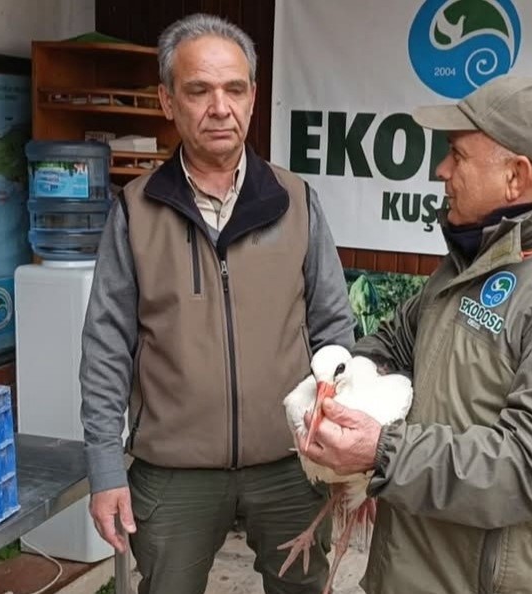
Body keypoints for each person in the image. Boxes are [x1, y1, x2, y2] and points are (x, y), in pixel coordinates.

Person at [300, 76, 532, 594]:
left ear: (516, 176)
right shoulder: (477, 260)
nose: (442, 171)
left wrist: (383, 453)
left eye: (458, 155)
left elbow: (531, 465)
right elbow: (398, 341)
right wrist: (350, 383)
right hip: (414, 565)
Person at [79, 13, 355, 594]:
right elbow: (107, 349)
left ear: (254, 98)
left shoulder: (296, 201)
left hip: (289, 465)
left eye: (234, 89)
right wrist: (106, 470)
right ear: (167, 101)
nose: (219, 106)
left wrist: (338, 452)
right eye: (198, 90)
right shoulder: (135, 211)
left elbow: (334, 332)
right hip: (172, 475)